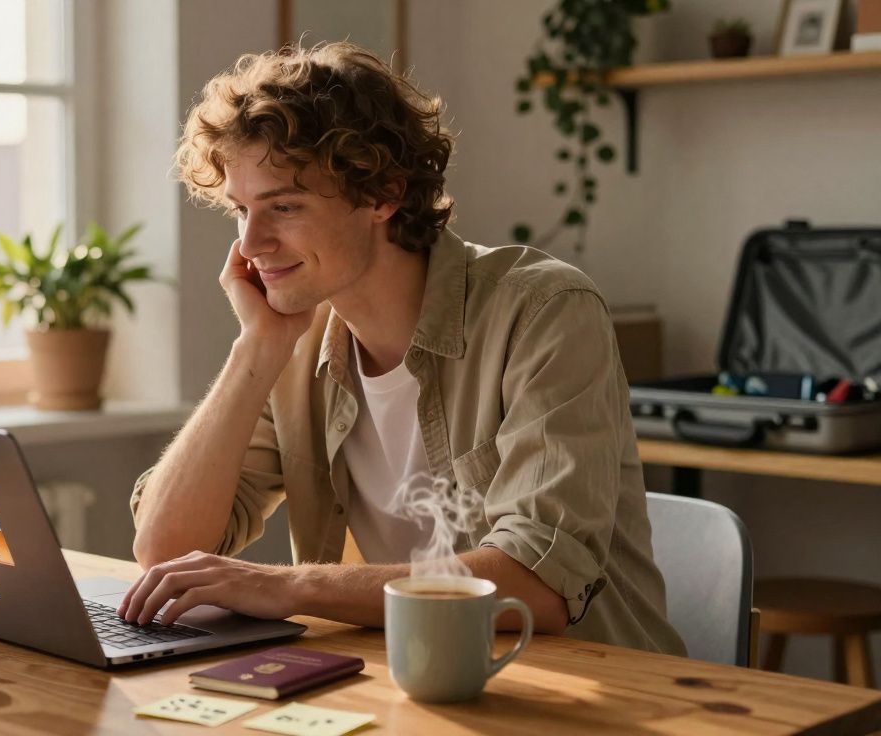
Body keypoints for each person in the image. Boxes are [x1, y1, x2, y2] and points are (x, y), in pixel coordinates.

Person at [118, 41, 685, 655]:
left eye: (284, 206)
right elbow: (164, 553)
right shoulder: (296, 341)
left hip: (594, 694)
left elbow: (538, 583)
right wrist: (255, 349)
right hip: (408, 685)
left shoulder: (544, 310)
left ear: (384, 194)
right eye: (240, 210)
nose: (251, 243)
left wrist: (291, 587)